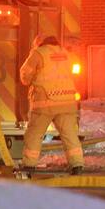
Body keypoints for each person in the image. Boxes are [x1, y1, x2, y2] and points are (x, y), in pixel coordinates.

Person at [16, 33, 82, 179]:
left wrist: (30, 81)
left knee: (34, 135)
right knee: (70, 135)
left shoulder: (38, 53)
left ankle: (29, 165)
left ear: (39, 43)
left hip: (44, 103)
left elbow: (25, 74)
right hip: (67, 102)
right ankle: (77, 165)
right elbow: (76, 73)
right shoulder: (66, 54)